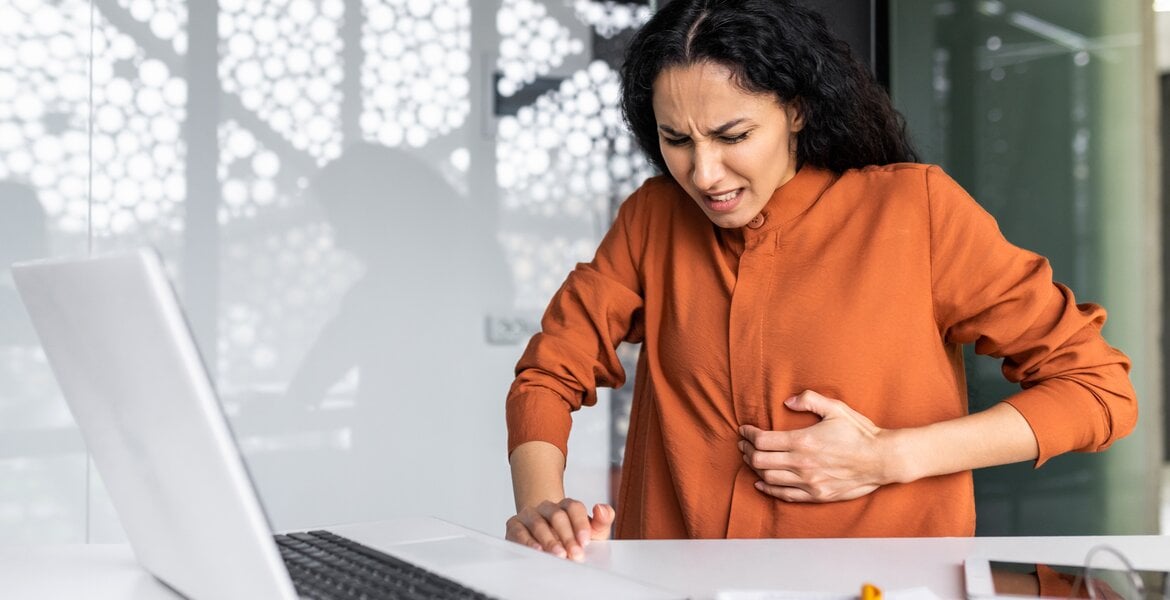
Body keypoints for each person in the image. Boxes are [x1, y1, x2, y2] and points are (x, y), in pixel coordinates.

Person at [503, 0, 1137, 561]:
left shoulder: (916, 213)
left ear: (797, 112)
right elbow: (549, 371)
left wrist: (890, 456)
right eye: (677, 140)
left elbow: (1097, 390)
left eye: (733, 136)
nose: (704, 173)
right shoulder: (652, 218)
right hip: (674, 584)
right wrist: (541, 508)